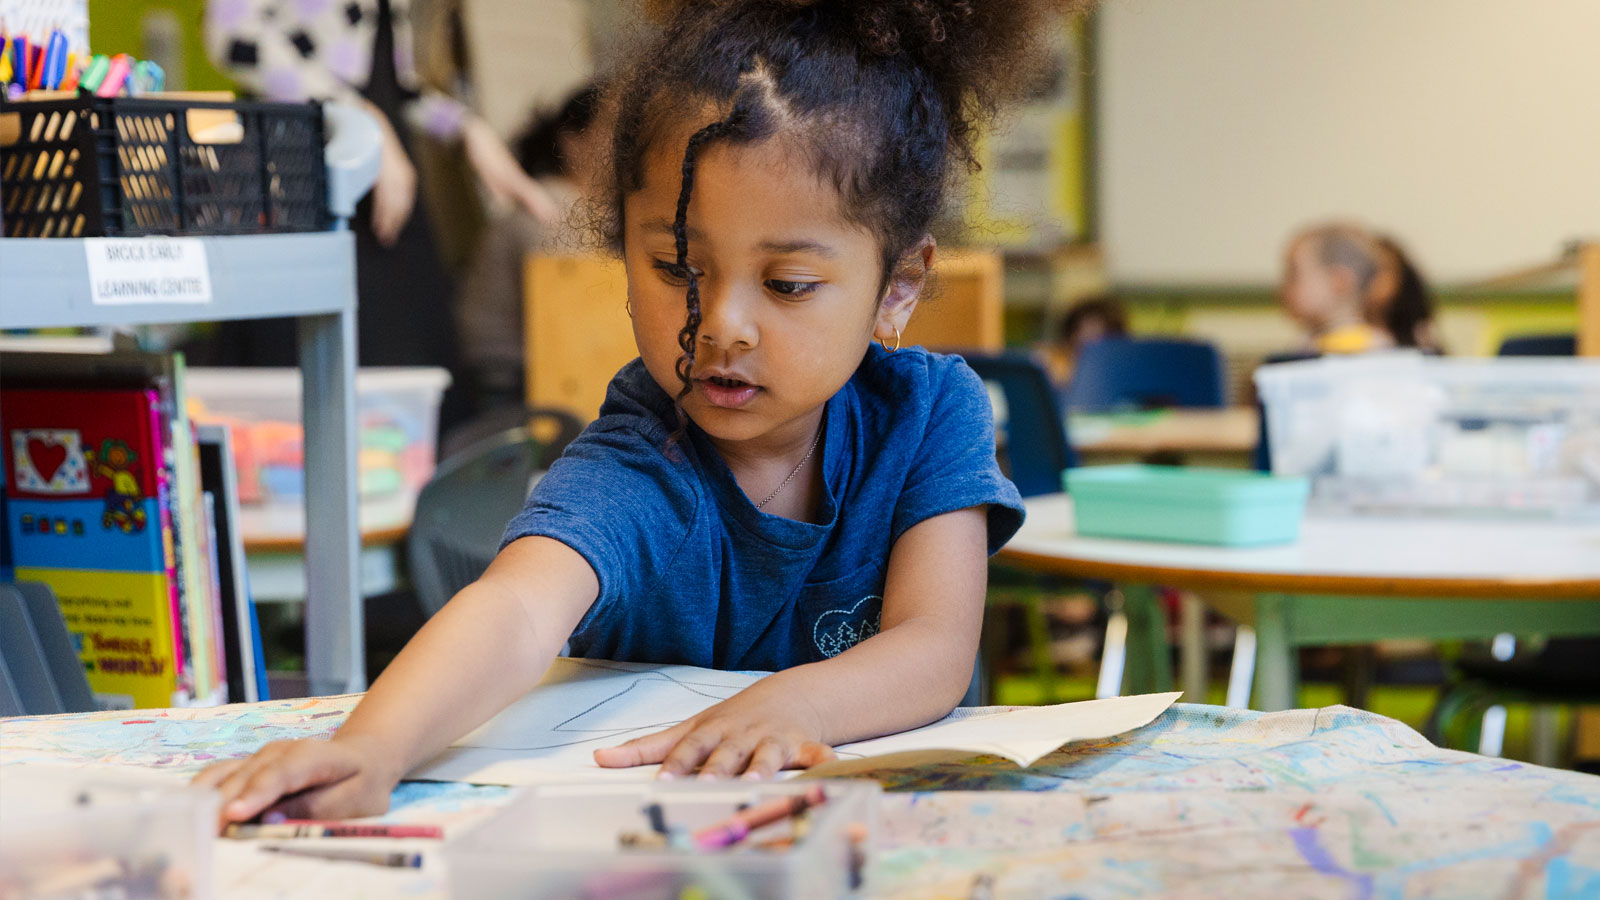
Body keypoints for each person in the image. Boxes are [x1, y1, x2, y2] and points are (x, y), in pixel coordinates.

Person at [194, 0, 1054, 823]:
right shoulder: (645, 456)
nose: (721, 326)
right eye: (678, 269)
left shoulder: (930, 415)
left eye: (788, 284)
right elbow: (517, 610)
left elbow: (935, 649)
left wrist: (789, 706)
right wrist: (374, 749)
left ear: (896, 286)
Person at [456, 85, 610, 407]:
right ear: (572, 141)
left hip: (541, 373)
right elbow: (577, 317)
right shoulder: (546, 206)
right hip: (507, 382)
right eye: (615, 128)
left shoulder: (594, 211)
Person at [1279, 223, 1395, 355]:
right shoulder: (1308, 343)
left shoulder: (1371, 348)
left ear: (1340, 282)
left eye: (1294, 274)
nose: (1283, 286)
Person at [1369, 235, 1442, 353]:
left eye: (1381, 269)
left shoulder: (1419, 333)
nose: (1371, 278)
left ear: (1402, 278)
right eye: (1367, 270)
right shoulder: (1344, 332)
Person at [1038, 295, 1128, 388]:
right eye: (1076, 330)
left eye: (1094, 331)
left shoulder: (1125, 381)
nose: (1083, 338)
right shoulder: (1052, 369)